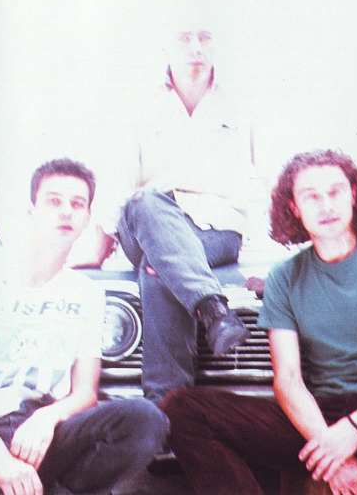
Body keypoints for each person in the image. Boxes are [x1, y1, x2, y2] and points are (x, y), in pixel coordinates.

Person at [161, 149, 357, 495]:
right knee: (181, 408)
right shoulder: (284, 277)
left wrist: (353, 430)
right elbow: (288, 381)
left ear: (353, 195)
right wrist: (333, 454)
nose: (325, 206)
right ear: (294, 208)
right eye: (310, 196)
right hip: (312, 425)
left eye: (335, 192)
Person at [92, 26, 253, 405]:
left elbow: (273, 179)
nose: (195, 48)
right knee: (147, 202)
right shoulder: (138, 105)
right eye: (183, 38)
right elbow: (117, 183)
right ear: (165, 46)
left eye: (205, 37)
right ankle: (213, 311)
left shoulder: (242, 106)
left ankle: (168, 407)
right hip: (146, 222)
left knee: (159, 266)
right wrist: (97, 249)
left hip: (216, 231)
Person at [0, 158, 168, 495]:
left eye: (77, 204)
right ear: (31, 210)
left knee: (145, 419)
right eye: (53, 201)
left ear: (88, 217)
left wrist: (47, 418)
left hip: (36, 431)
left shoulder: (86, 293)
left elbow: (85, 392)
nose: (66, 212)